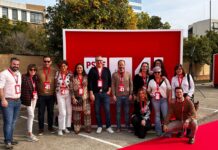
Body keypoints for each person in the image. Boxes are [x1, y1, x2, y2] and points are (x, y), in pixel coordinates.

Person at [88, 56, 114, 134]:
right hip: (96, 94)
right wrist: (91, 93)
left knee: (107, 110)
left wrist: (109, 90)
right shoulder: (92, 70)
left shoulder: (106, 70)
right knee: (97, 111)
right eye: (97, 60)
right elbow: (90, 83)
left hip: (105, 93)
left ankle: (108, 126)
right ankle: (99, 126)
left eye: (100, 60)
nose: (99, 62)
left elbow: (110, 81)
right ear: (95, 62)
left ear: (103, 62)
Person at [0, 57, 21, 149]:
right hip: (8, 101)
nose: (16, 66)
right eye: (14, 64)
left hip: (17, 101)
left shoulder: (18, 74)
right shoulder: (4, 74)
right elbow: (0, 87)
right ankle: (7, 141)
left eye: (17, 64)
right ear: (10, 63)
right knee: (8, 122)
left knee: (13, 122)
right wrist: (3, 99)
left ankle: (11, 138)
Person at [147, 66, 171, 136]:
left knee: (165, 115)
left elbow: (169, 88)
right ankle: (158, 132)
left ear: (161, 73)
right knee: (157, 115)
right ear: (153, 74)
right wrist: (151, 94)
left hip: (164, 99)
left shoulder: (165, 80)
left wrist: (166, 80)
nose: (157, 74)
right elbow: (148, 90)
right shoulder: (151, 81)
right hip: (155, 100)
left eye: (158, 72)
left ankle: (168, 132)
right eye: (155, 72)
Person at [37, 56, 56, 135]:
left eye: (48, 61)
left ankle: (50, 127)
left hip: (51, 95)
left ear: (51, 62)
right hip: (41, 95)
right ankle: (41, 128)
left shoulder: (54, 71)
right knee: (41, 113)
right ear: (43, 62)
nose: (46, 63)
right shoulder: (38, 70)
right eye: (45, 61)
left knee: (51, 112)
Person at [112, 60, 133, 132]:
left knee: (127, 112)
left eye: (122, 64)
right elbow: (113, 85)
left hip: (127, 96)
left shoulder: (128, 74)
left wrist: (130, 94)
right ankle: (118, 127)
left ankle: (127, 127)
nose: (121, 66)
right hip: (118, 96)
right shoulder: (114, 74)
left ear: (124, 65)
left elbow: (131, 85)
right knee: (118, 112)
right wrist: (114, 95)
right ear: (118, 66)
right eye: (120, 65)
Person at [21, 64, 39, 142]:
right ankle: (29, 134)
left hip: (34, 98)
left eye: (34, 70)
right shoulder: (24, 77)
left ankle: (29, 132)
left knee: (30, 116)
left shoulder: (35, 77)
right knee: (31, 115)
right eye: (31, 70)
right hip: (28, 99)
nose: (33, 71)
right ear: (28, 70)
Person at [71, 63, 91, 134]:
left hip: (85, 98)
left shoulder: (86, 77)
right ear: (76, 69)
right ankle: (77, 128)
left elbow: (89, 87)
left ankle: (87, 128)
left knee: (87, 114)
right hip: (76, 98)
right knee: (76, 114)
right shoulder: (73, 77)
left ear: (83, 69)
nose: (79, 69)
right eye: (78, 68)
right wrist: (73, 98)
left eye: (81, 68)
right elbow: (71, 89)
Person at [55, 60, 72, 136]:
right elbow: (54, 83)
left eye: (64, 66)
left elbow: (73, 83)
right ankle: (60, 129)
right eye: (61, 66)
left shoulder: (70, 74)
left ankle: (65, 127)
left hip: (68, 94)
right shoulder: (57, 73)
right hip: (60, 94)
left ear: (67, 66)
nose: (63, 67)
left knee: (69, 111)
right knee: (62, 112)